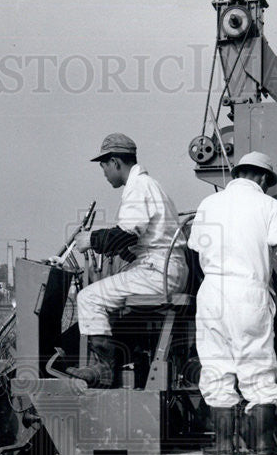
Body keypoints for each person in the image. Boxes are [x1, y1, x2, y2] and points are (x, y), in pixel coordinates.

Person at [188, 151, 277, 455]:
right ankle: (263, 443)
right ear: (263, 178)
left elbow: (195, 249)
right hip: (248, 291)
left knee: (215, 366)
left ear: (238, 174)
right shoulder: (268, 205)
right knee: (258, 368)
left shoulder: (209, 204)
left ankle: (223, 445)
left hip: (211, 292)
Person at [68, 133, 188, 388]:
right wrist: (110, 245)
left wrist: (92, 239)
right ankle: (114, 367)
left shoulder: (138, 187)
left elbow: (125, 233)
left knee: (88, 298)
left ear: (115, 162)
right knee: (113, 311)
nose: (104, 173)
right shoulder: (151, 185)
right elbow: (139, 240)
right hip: (165, 267)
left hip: (158, 272)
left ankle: (103, 370)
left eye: (103, 166)